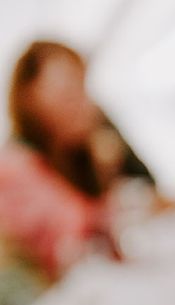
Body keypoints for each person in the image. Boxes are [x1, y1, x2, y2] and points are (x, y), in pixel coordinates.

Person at [0, 41, 154, 280]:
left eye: (81, 86)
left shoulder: (92, 132)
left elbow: (146, 183)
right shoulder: (16, 164)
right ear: (30, 102)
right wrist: (107, 175)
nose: (83, 103)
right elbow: (76, 231)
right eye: (66, 93)